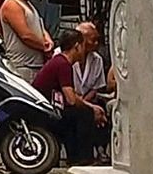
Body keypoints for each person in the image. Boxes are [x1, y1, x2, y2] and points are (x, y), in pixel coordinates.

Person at [32, 28, 105, 165]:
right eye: (83, 46)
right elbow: (71, 99)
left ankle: (78, 157)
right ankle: (83, 158)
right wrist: (91, 108)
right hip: (45, 111)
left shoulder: (61, 63)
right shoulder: (63, 64)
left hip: (50, 107)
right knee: (84, 114)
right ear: (77, 46)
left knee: (81, 112)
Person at [0, 0, 54, 88]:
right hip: (23, 67)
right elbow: (25, 35)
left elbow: (40, 27)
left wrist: (48, 40)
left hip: (35, 65)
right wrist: (44, 47)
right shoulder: (11, 4)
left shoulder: (28, 5)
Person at [73, 21, 111, 105]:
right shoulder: (62, 56)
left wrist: (84, 103)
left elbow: (95, 89)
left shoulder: (97, 59)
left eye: (97, 40)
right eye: (93, 40)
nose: (96, 43)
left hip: (89, 102)